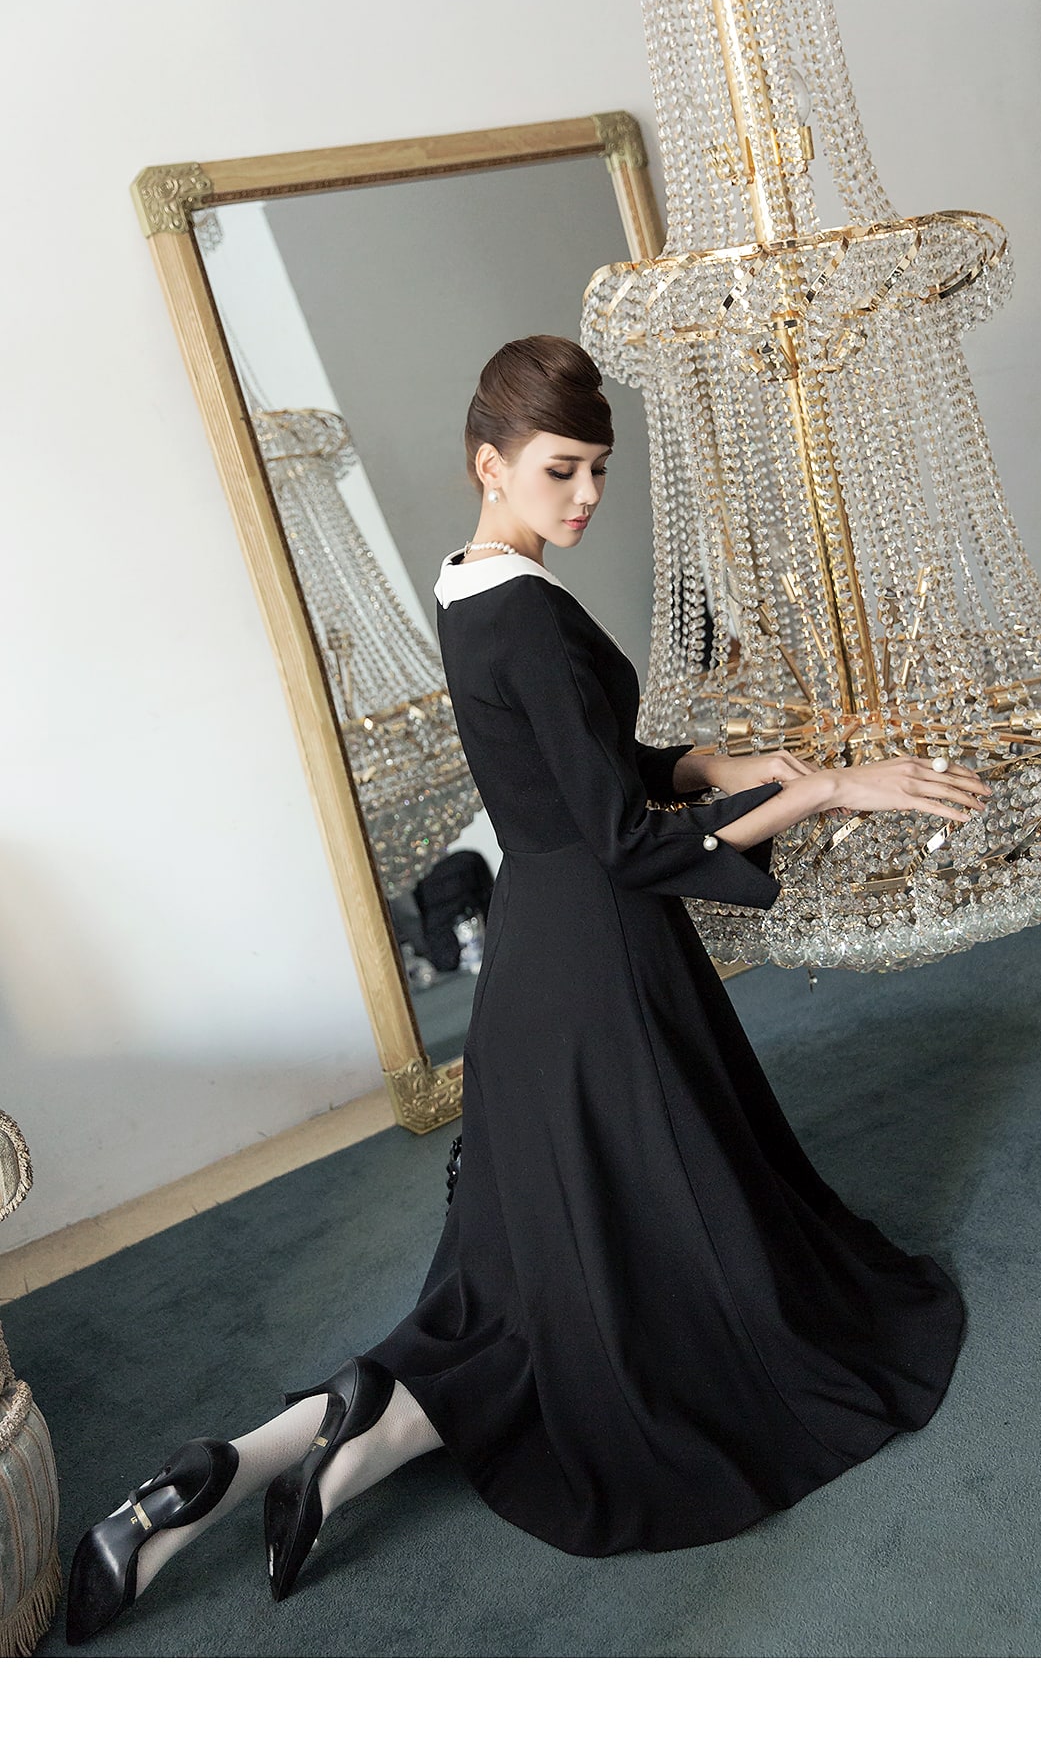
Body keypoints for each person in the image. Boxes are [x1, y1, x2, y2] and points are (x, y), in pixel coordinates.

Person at [66, 334, 992, 1644]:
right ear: (488, 463)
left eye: (600, 468)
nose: (588, 494)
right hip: (600, 963)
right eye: (563, 469)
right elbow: (621, 843)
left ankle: (259, 1460)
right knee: (650, 1256)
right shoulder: (532, 617)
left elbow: (573, 766)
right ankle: (321, 1451)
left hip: (535, 956)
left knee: (527, 1264)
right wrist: (830, 788)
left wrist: (709, 764)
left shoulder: (467, 588)